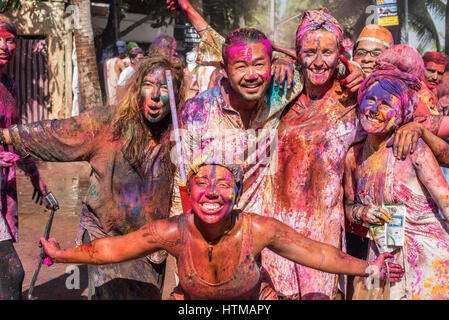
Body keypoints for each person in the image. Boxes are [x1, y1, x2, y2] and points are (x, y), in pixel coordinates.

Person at [40, 161, 404, 300]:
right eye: (202, 184)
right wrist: (62, 254)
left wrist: (370, 267)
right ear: (189, 192)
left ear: (238, 193)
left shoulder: (259, 229)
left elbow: (318, 253)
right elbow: (112, 249)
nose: (212, 191)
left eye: (223, 185)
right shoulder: (172, 231)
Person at [0, 56, 184, 300]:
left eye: (165, 88)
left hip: (149, 247)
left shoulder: (178, 135)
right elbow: (57, 133)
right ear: (136, 87)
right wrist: (7, 136)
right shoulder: (109, 125)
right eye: (148, 84)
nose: (155, 95)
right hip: (104, 235)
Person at [344, 65, 449, 300]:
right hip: (385, 259)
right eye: (369, 100)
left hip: (429, 261)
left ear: (401, 113)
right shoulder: (354, 155)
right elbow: (349, 207)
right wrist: (364, 212)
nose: (374, 109)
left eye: (386, 104)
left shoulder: (411, 148)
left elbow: (447, 204)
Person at [0, 15, 48, 300]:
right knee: (12, 271)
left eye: (10, 40)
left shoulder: (10, 87)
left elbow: (15, 138)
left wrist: (34, 175)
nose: (4, 46)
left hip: (4, 188)